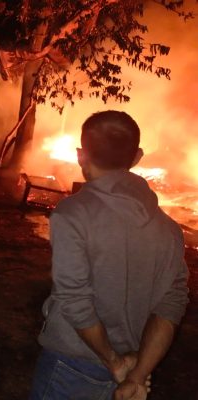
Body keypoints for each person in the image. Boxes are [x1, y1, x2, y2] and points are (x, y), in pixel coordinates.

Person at [28, 110, 189, 400]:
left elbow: (74, 299)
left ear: (80, 155)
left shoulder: (73, 213)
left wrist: (113, 361)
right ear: (137, 157)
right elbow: (171, 303)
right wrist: (137, 375)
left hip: (71, 364)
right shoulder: (169, 230)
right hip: (130, 368)